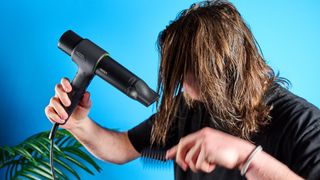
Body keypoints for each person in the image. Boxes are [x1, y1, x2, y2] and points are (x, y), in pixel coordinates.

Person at [45, 1, 320, 179]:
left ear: (224, 67)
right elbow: (121, 148)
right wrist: (79, 124)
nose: (184, 87)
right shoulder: (189, 104)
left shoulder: (304, 124)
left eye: (190, 74)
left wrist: (245, 156)